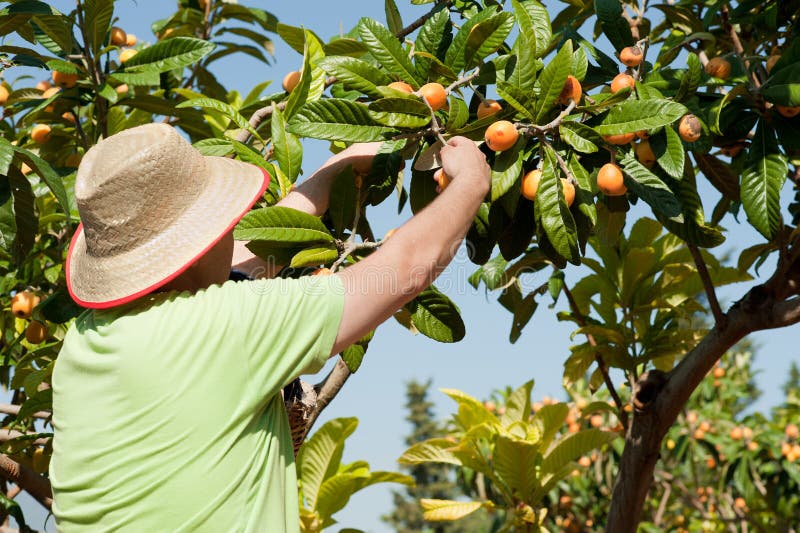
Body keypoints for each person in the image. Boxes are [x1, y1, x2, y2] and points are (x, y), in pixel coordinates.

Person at [50, 123, 490, 532]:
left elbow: (238, 257)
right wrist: (471, 182)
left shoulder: (83, 342)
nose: (230, 231)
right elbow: (407, 267)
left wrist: (335, 168)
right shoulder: (227, 327)